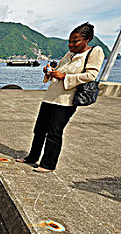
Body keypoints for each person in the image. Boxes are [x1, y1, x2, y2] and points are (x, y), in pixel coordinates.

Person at [16, 22, 105, 173]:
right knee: (39, 129)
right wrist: (50, 72)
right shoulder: (70, 54)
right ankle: (32, 157)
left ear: (88, 39)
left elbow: (91, 75)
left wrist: (65, 76)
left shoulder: (95, 52)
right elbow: (59, 71)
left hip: (66, 100)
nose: (71, 45)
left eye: (75, 41)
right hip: (51, 96)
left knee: (54, 132)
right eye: (69, 41)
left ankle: (48, 164)